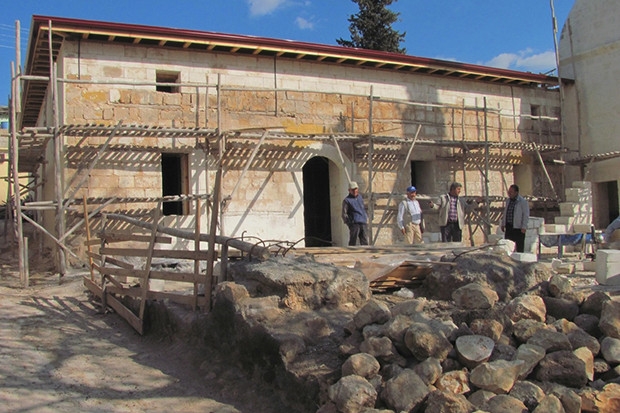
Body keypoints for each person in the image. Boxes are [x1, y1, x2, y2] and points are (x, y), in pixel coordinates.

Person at [501, 184, 530, 253]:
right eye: (509, 192)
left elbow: (526, 215)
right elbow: (506, 213)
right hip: (509, 227)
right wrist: (503, 223)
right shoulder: (508, 201)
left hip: (518, 228)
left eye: (511, 192)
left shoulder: (522, 202)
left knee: (519, 246)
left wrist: (524, 226)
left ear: (516, 193)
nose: (509, 194)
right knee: (508, 246)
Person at [342, 181, 369, 246]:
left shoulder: (360, 197)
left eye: (356, 189)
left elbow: (362, 208)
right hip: (354, 223)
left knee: (364, 240)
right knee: (353, 240)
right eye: (353, 190)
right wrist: (350, 224)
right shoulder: (347, 200)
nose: (354, 191)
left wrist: (365, 217)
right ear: (349, 190)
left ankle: (366, 254)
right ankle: (351, 253)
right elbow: (344, 214)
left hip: (363, 221)